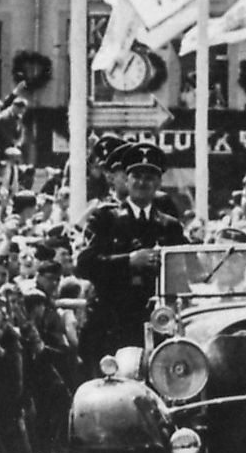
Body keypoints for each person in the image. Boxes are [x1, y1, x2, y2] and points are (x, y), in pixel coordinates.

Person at [75, 141, 189, 369]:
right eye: (136, 176)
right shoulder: (105, 218)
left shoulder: (170, 225)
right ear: (127, 180)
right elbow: (84, 264)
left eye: (149, 177)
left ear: (158, 183)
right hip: (111, 321)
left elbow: (188, 269)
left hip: (155, 323)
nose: (142, 183)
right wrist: (129, 260)